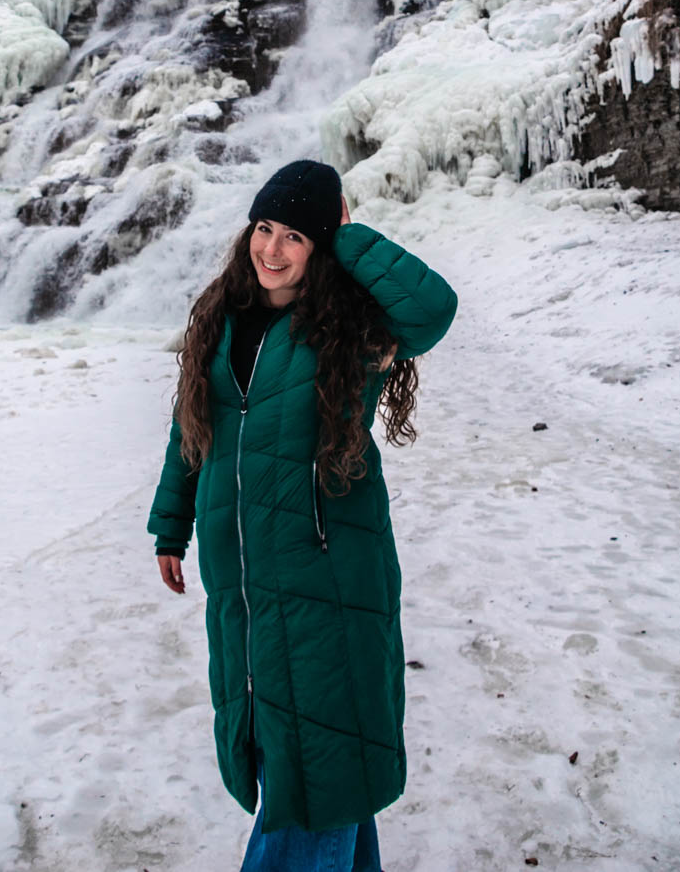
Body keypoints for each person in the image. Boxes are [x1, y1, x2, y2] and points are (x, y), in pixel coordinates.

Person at [148, 159, 457, 871]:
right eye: (264, 228)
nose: (273, 251)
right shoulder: (223, 320)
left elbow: (432, 308)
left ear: (321, 246)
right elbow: (191, 431)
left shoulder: (350, 329)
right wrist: (173, 523)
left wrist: (347, 237)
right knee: (311, 758)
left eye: (296, 236)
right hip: (247, 584)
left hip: (329, 577)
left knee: (312, 770)